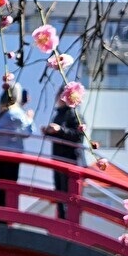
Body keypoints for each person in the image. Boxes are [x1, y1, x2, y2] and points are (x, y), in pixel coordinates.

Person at [44, 84, 86, 219]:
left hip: (70, 160)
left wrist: (60, 130)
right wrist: (48, 132)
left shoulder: (74, 114)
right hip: (58, 159)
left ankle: (69, 222)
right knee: (60, 194)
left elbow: (78, 136)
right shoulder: (58, 114)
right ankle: (62, 220)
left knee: (69, 195)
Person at [0, 82, 35, 208]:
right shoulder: (16, 112)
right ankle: (4, 213)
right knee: (9, 186)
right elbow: (27, 132)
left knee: (0, 184)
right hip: (11, 155)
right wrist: (30, 118)